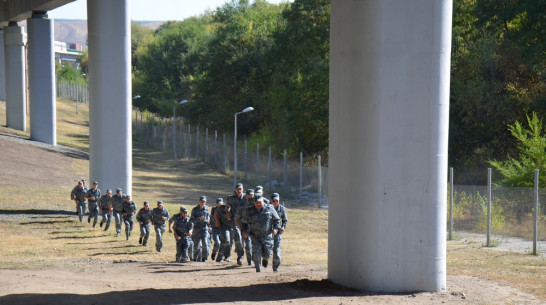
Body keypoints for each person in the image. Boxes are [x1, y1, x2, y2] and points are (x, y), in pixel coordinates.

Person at [242, 195, 280, 272]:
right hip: (254, 236)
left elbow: (277, 220)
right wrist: (245, 231)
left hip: (267, 236)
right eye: (256, 202)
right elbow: (244, 223)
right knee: (256, 254)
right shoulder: (249, 210)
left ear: (263, 201)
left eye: (260, 202)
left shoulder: (269, 208)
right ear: (254, 202)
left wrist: (275, 229)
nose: (258, 204)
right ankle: (258, 270)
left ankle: (265, 259)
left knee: (267, 253)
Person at [226, 183, 246, 265]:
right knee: (238, 236)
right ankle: (240, 256)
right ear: (235, 190)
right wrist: (228, 214)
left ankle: (248, 256)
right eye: (237, 189)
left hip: (244, 220)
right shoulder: (231, 198)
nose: (239, 190)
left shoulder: (246, 197)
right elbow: (227, 207)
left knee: (244, 237)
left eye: (240, 189)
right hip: (234, 219)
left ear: (242, 189)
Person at [236, 188, 254, 265]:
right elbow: (236, 218)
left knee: (255, 245)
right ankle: (250, 262)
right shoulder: (241, 205)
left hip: (255, 228)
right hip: (245, 227)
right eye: (249, 195)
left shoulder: (256, 204)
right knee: (248, 244)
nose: (250, 197)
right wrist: (240, 228)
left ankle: (255, 260)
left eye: (252, 196)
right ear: (246, 195)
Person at [270, 193, 287, 272]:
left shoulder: (282, 209)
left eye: (277, 201)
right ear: (271, 201)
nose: (275, 202)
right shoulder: (267, 208)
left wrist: (283, 227)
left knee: (276, 251)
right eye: (274, 201)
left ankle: (275, 267)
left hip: (277, 233)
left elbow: (284, 220)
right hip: (268, 233)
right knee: (267, 250)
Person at [190, 196, 210, 262]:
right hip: (197, 229)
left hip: (204, 228)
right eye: (202, 201)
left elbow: (208, 217)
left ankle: (204, 258)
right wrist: (199, 219)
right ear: (199, 201)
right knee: (196, 245)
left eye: (204, 201)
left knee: (205, 243)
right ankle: (196, 258)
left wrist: (208, 221)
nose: (203, 203)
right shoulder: (195, 209)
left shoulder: (206, 208)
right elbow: (192, 220)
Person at [213, 197, 231, 262]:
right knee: (226, 241)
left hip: (231, 227)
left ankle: (226, 257)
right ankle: (220, 257)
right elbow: (215, 215)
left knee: (229, 243)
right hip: (223, 226)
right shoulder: (220, 208)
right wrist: (217, 221)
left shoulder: (233, 208)